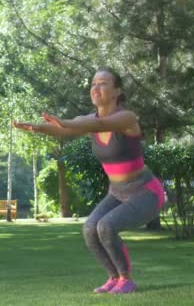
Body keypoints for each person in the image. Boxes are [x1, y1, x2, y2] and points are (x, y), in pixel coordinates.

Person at [12, 68, 165, 294]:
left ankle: (126, 279)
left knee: (107, 226)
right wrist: (37, 127)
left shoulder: (127, 118)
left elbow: (100, 125)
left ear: (117, 91)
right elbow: (63, 130)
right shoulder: (87, 120)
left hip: (145, 192)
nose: (96, 88)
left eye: (103, 83)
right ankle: (114, 278)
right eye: (93, 83)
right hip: (117, 192)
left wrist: (65, 122)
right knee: (90, 228)